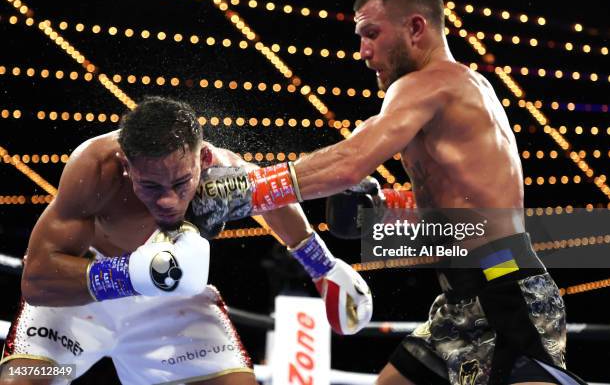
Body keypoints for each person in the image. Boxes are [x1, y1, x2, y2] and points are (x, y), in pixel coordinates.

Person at [196, 0, 586, 385]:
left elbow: (348, 163)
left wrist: (243, 191)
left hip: (504, 295)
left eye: (371, 34)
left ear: (416, 28)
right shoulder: (454, 93)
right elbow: (460, 215)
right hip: (461, 303)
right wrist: (379, 212)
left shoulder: (428, 84)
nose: (363, 52)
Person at [0, 97, 372, 385]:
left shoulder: (219, 171)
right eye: (150, 186)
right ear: (128, 165)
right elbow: (36, 279)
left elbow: (270, 199)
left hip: (169, 301)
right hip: (84, 296)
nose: (167, 200)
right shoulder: (96, 168)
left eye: (180, 184)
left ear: (203, 158)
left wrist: (322, 267)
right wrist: (134, 273)